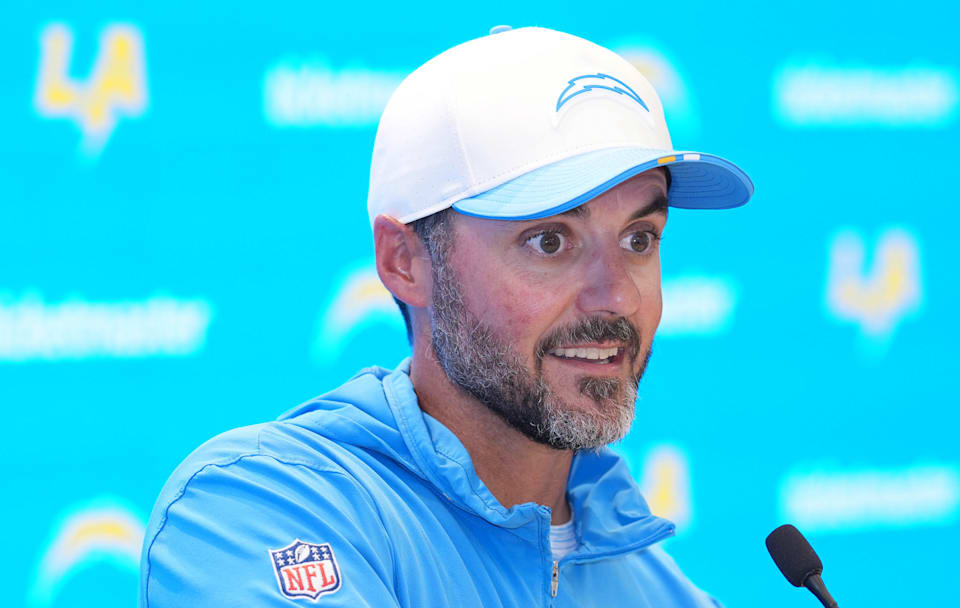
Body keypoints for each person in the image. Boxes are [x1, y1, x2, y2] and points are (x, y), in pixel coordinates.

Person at [139, 26, 752, 606]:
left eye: (639, 239)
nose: (616, 297)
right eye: (549, 241)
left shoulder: (660, 587)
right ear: (405, 261)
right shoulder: (263, 508)